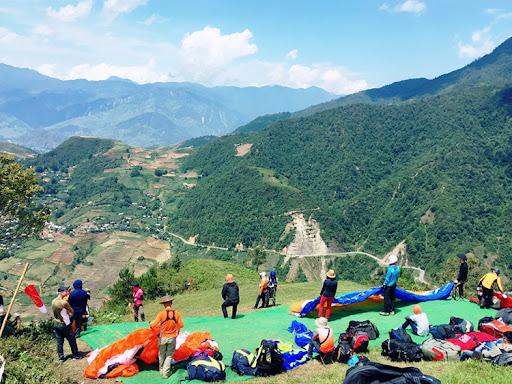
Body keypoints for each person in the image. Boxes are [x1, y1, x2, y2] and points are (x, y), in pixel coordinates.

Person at [150, 295, 184, 379]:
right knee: (169, 355)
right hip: (172, 338)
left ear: (164, 304)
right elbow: (181, 325)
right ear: (171, 303)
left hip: (162, 338)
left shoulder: (161, 314)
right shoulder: (177, 313)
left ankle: (161, 370)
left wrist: (150, 323)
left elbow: (153, 324)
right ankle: (166, 373)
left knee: (161, 354)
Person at [51, 286, 82, 362]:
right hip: (65, 324)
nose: (68, 292)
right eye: (66, 291)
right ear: (62, 292)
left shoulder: (53, 301)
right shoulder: (64, 302)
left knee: (59, 341)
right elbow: (72, 311)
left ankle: (61, 357)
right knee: (72, 340)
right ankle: (76, 355)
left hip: (56, 323)